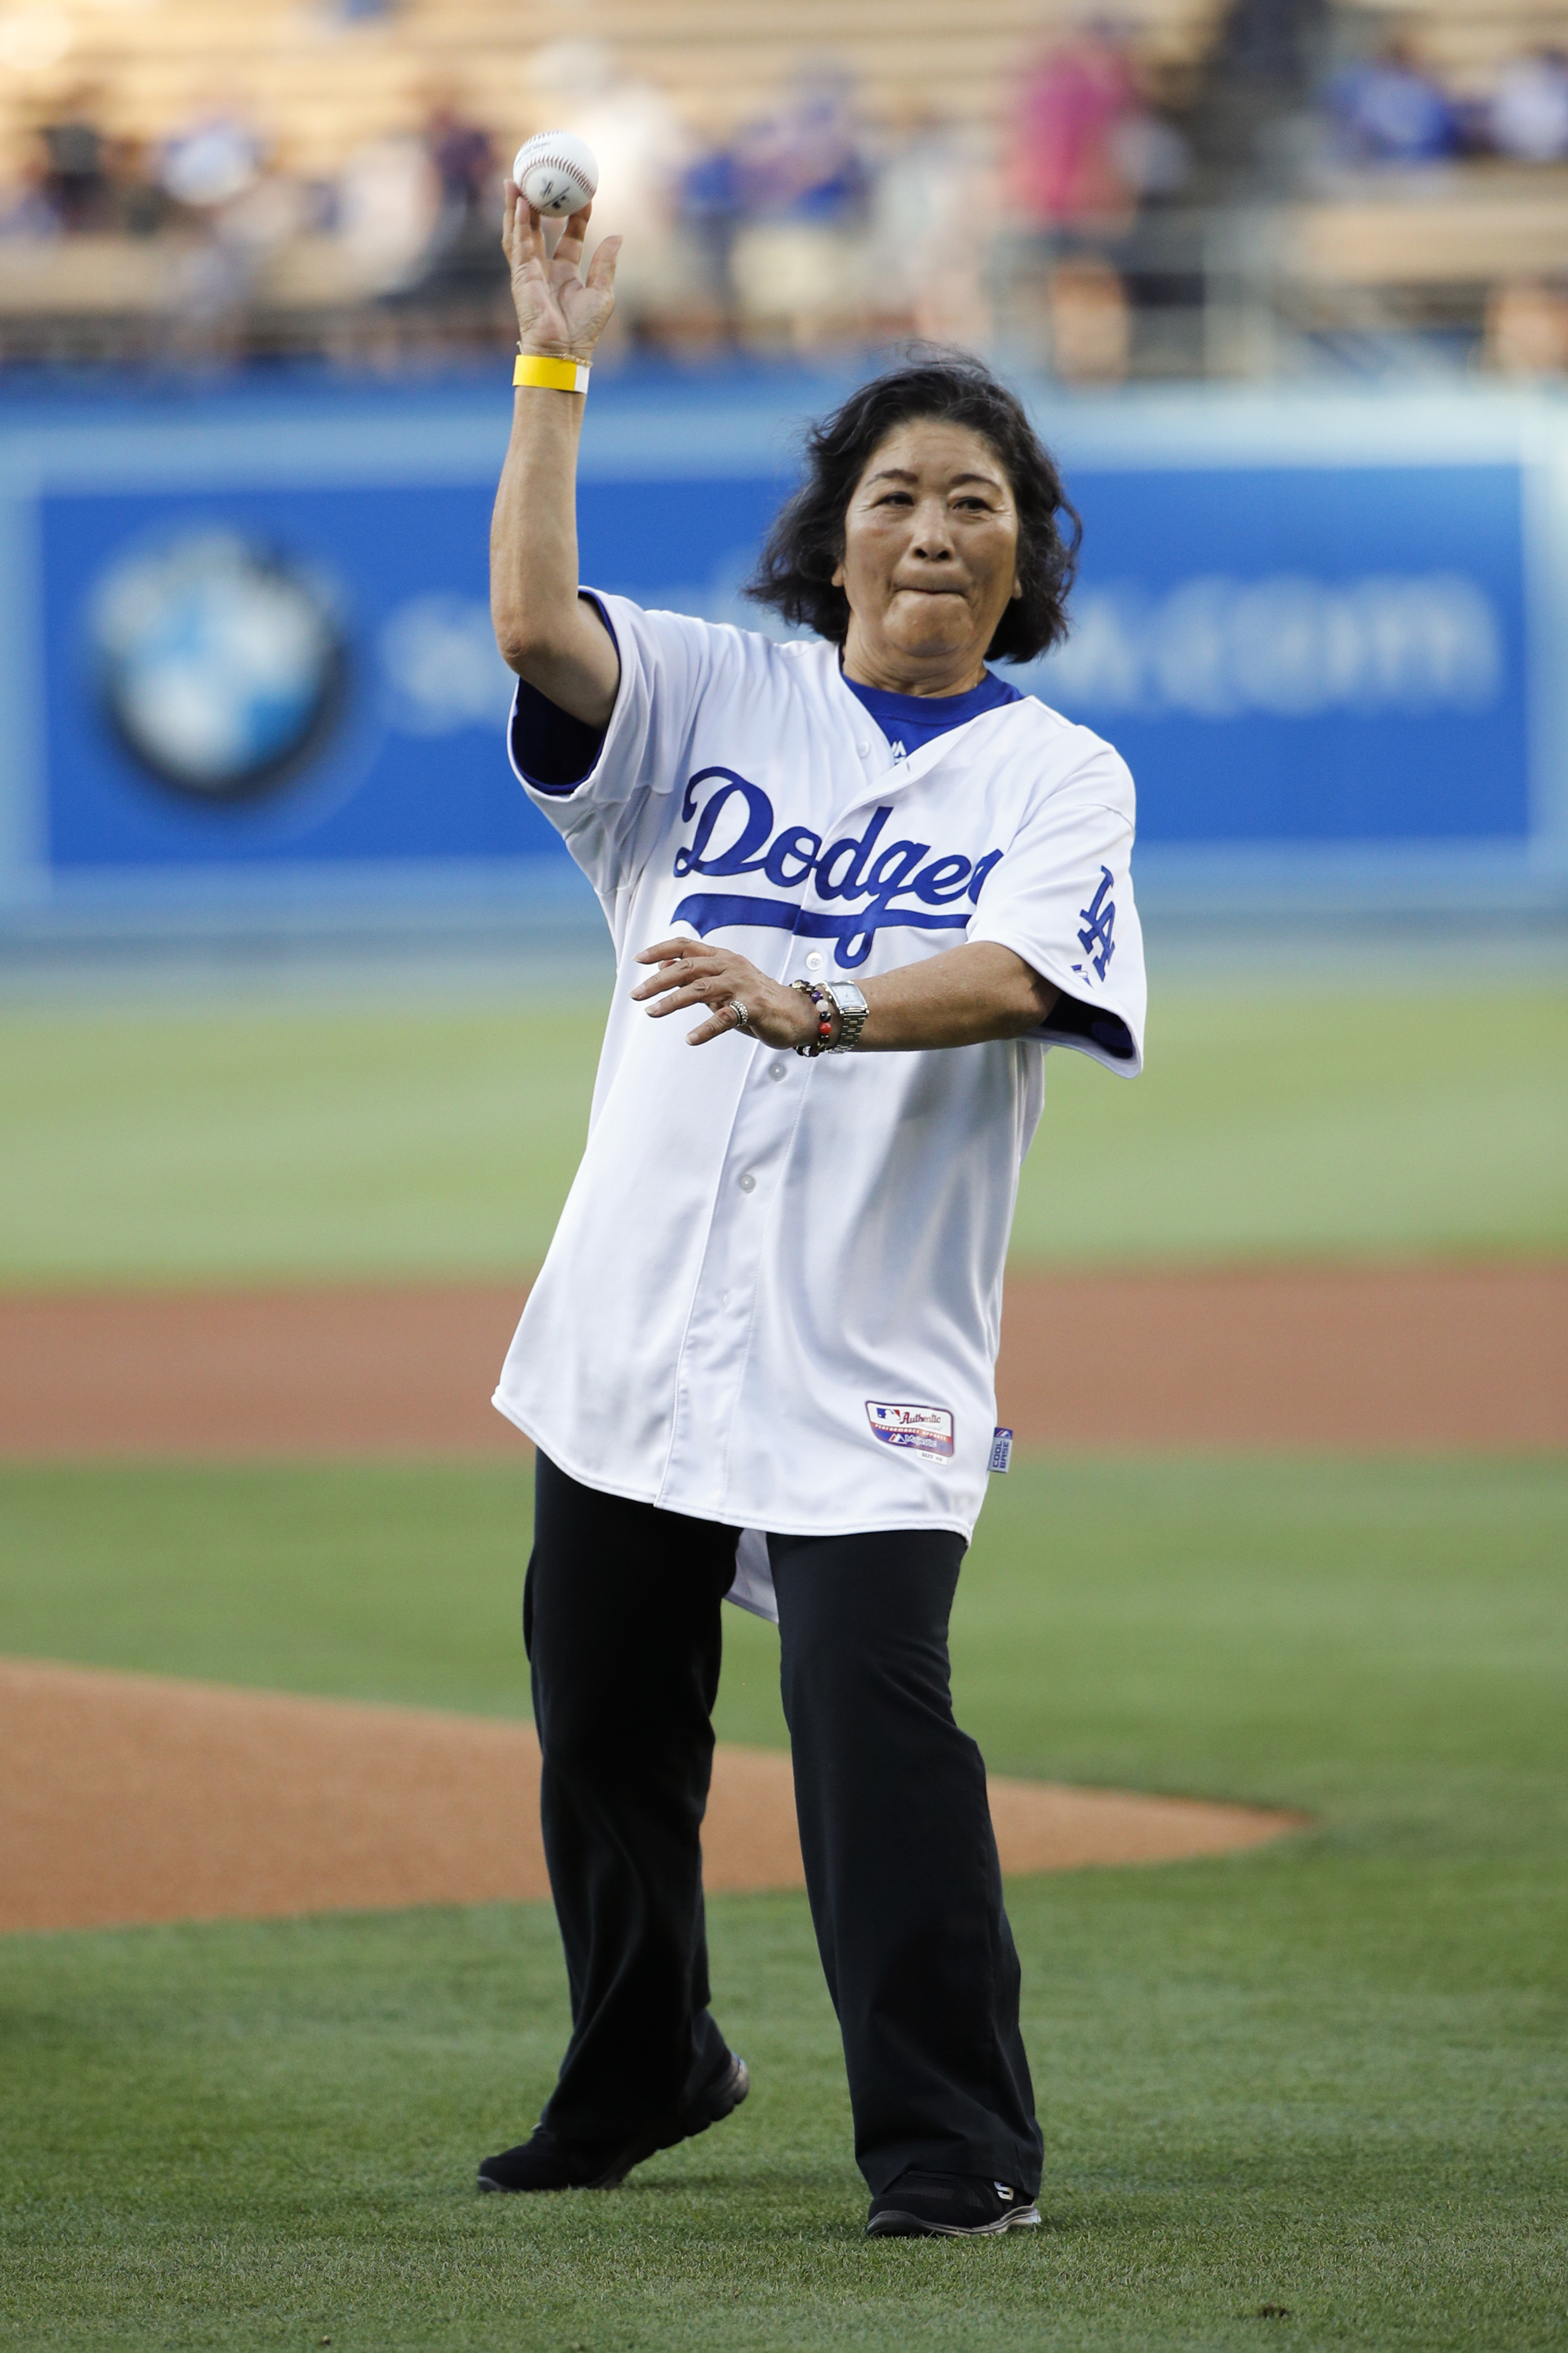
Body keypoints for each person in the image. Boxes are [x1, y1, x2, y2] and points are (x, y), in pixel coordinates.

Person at [478, 185, 1146, 2239]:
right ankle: (647, 2059)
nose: (930, 529)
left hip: (868, 1359)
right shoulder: (705, 701)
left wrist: (820, 997)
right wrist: (551, 361)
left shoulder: (1058, 779)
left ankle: (955, 2146)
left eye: (974, 500)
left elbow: (1028, 978)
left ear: (1021, 556)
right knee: (603, 1730)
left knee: (875, 1743)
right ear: (829, 537)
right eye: (892, 495)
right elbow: (527, 624)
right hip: (630, 1326)